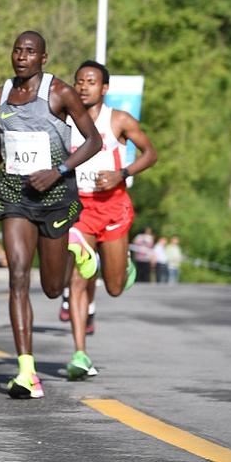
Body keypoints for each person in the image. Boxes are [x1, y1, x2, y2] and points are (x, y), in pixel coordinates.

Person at [0, 30, 101, 400]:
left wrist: (58, 171)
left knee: (52, 287)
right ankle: (26, 372)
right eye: (17, 50)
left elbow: (94, 141)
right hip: (15, 193)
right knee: (17, 276)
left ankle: (77, 246)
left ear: (43, 59)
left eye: (30, 52)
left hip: (56, 193)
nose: (22, 56)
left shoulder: (60, 93)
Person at [62, 60, 158, 380]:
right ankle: (79, 354)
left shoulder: (119, 120)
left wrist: (122, 174)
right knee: (79, 278)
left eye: (91, 82)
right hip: (80, 209)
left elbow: (150, 153)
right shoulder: (64, 120)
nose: (84, 86)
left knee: (114, 287)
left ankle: (123, 263)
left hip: (114, 208)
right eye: (79, 81)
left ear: (104, 88)